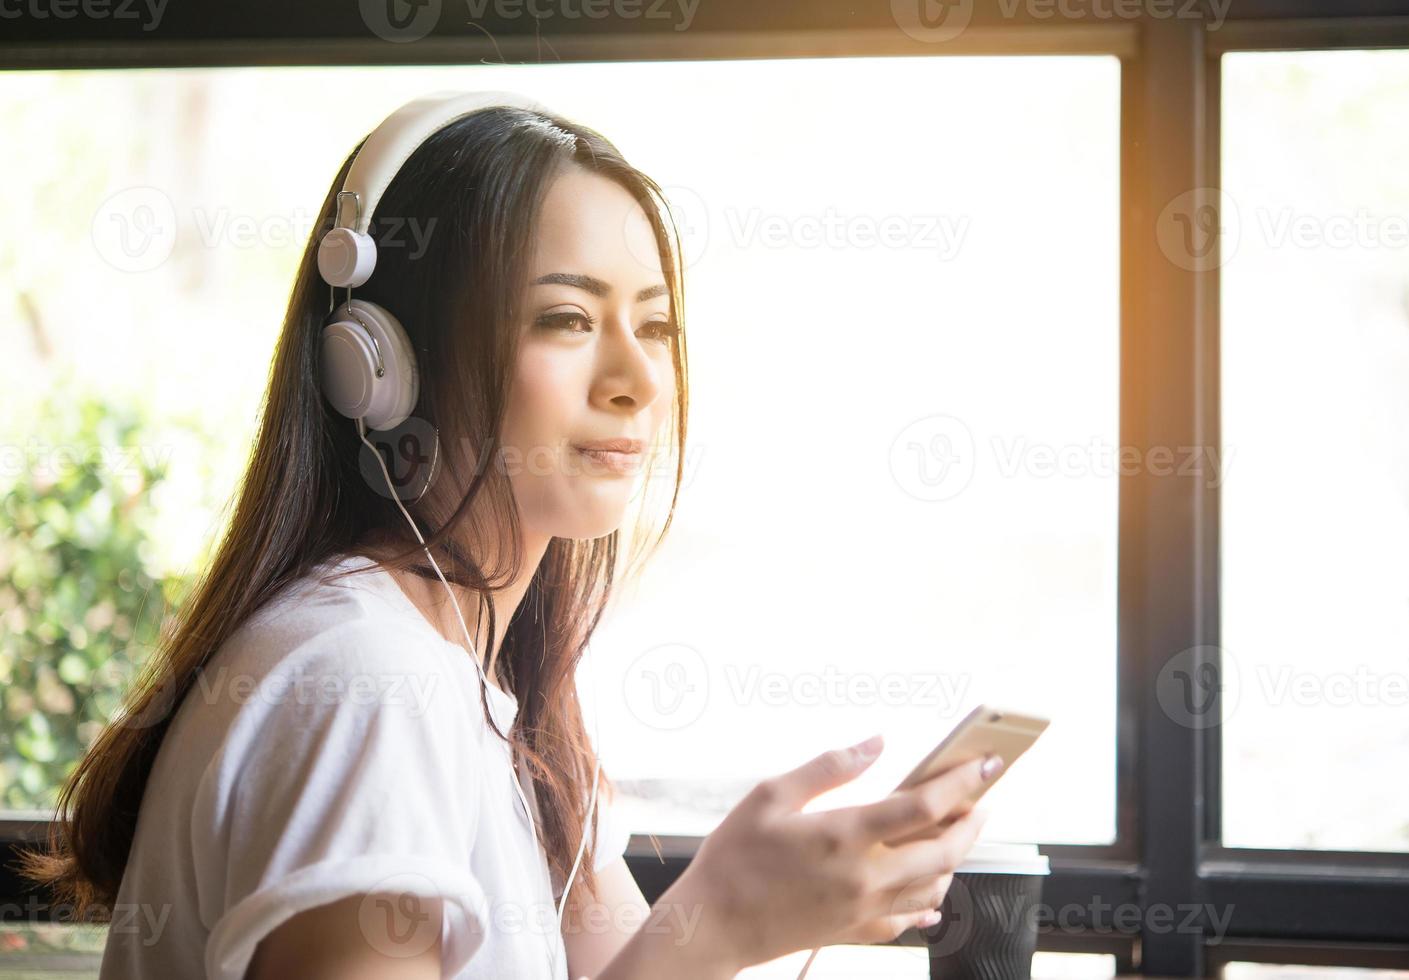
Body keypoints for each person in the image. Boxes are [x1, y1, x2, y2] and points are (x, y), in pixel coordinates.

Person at [21, 92, 1005, 979]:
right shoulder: (366, 683)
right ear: (380, 365)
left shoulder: (491, 695)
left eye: (654, 326)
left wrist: (784, 903)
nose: (636, 379)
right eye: (566, 318)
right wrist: (716, 920)